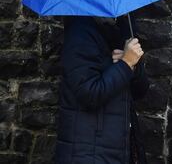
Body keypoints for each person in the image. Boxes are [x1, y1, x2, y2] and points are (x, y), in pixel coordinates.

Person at [56, 16, 149, 164]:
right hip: (89, 152)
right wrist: (125, 64)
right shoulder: (80, 32)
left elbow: (140, 91)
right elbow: (89, 93)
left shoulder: (123, 26)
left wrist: (134, 65)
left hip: (118, 148)